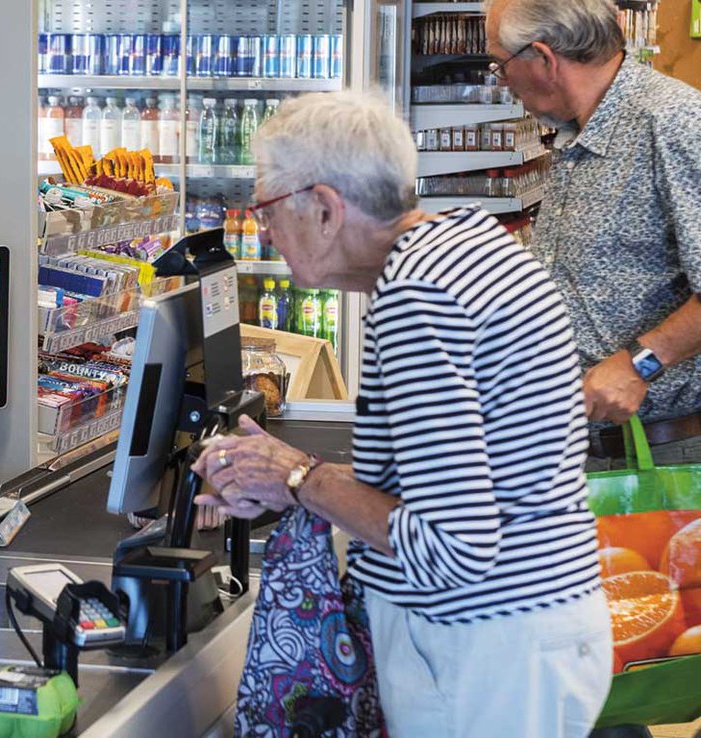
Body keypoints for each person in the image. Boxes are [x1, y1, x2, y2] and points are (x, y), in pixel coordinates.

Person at [192, 92, 612, 737]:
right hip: (532, 634)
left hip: (481, 654)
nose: (264, 230)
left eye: (266, 208)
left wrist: (301, 477)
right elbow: (454, 472)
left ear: (328, 208)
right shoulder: (469, 248)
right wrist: (288, 485)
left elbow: (452, 546)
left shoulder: (418, 298)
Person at [485, 0, 701, 469]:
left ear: (543, 58)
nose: (501, 82)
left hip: (662, 461)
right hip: (581, 453)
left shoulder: (673, 123)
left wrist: (642, 362)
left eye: (500, 65)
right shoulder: (578, 130)